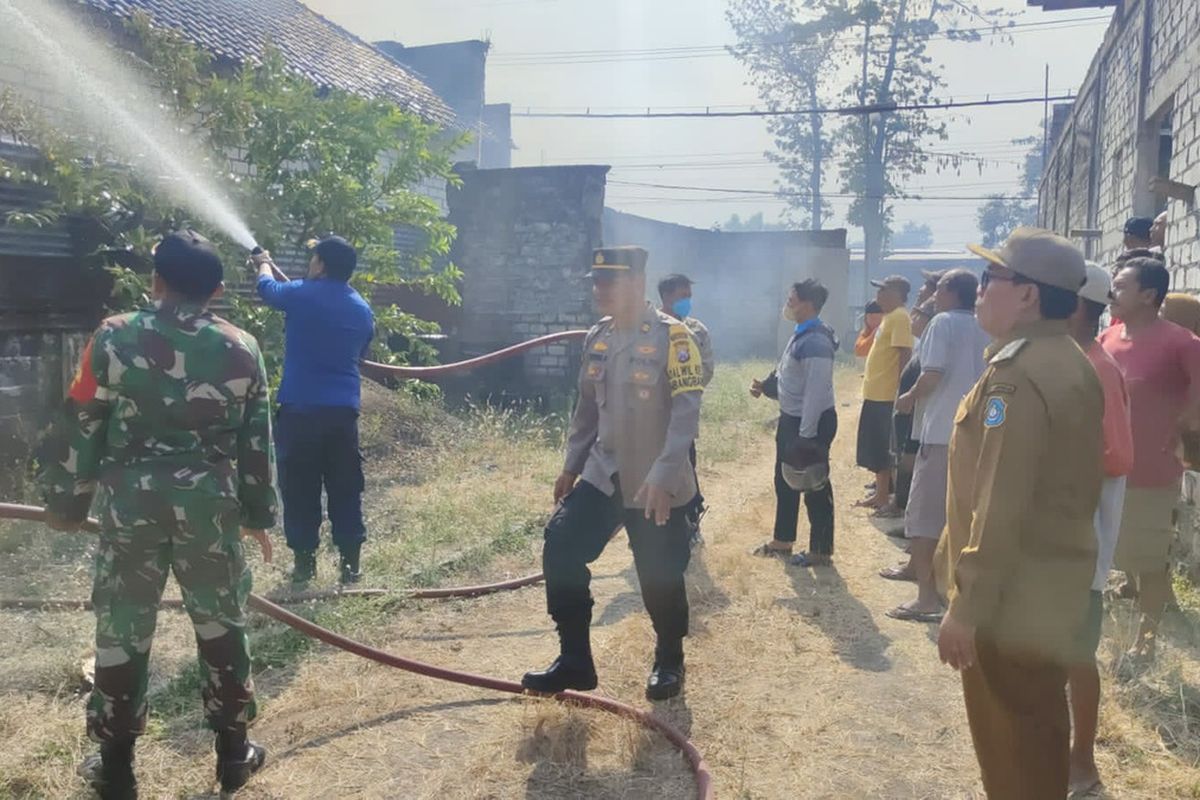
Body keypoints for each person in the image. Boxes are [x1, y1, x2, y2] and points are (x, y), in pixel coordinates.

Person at [38, 231, 276, 799]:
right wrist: (259, 515)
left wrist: (67, 503)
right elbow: (256, 442)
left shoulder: (114, 337)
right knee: (222, 625)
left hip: (132, 509)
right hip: (210, 511)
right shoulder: (243, 347)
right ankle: (233, 754)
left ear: (155, 281)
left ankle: (116, 769)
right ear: (217, 291)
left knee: (122, 629)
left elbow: (82, 420)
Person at [935, 227, 1102, 800]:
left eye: (992, 278)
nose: (980, 290)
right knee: (1036, 743)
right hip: (1046, 591)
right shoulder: (1067, 360)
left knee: (1014, 759)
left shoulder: (1017, 375)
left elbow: (1001, 500)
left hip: (1010, 607)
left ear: (1028, 295)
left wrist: (967, 604)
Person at [522, 246, 704, 701]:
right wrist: (571, 464)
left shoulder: (675, 338)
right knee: (561, 545)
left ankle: (668, 657)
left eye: (609, 282)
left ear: (637, 284)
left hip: (654, 479)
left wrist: (664, 476)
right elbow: (586, 407)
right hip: (605, 471)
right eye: (596, 281)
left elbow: (686, 417)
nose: (598, 289)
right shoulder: (597, 337)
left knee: (658, 574)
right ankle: (575, 660)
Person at [252, 237, 375, 586]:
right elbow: (361, 353)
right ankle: (351, 567)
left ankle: (304, 566)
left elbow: (267, 289)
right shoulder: (361, 308)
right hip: (342, 415)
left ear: (320, 264)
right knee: (345, 486)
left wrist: (262, 261)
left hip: (300, 412)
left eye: (312, 259)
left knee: (300, 488)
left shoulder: (302, 294)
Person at [1099, 256, 1200, 660]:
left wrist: (1182, 443)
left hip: (1152, 468)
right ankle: (1117, 626)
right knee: (1119, 552)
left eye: (1120, 286)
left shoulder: (1182, 343)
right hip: (1106, 463)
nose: (1112, 294)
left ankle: (1147, 640)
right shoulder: (1109, 338)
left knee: (1149, 558)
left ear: (1149, 295)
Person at [884, 270, 988, 621]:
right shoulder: (985, 324)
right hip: (977, 435)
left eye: (939, 288)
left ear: (951, 293)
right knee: (963, 518)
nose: (932, 294)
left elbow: (932, 373)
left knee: (924, 517)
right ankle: (959, 594)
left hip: (943, 430)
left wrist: (909, 398)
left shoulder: (942, 323)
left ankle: (926, 597)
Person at [1066, 262, 1134, 798]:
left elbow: (1113, 455)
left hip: (1079, 543)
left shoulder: (1096, 368)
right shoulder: (1072, 362)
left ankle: (1083, 762)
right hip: (1059, 543)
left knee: (1076, 652)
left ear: (1072, 307)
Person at [749, 279, 838, 566]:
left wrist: (807, 436)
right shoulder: (802, 334)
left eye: (792, 300)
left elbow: (815, 391)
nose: (787, 305)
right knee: (785, 480)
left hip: (810, 422)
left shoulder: (816, 340)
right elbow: (789, 373)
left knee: (814, 483)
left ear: (807, 304)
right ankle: (783, 540)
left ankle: (821, 550)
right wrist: (767, 386)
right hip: (794, 420)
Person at [658, 273, 714, 546]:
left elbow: (705, 369)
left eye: (689, 296)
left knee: (685, 468)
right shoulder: (651, 328)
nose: (688, 301)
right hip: (651, 419)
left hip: (681, 417)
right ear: (667, 297)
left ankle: (690, 524)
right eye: (683, 296)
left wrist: (682, 392)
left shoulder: (697, 331)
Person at [857, 275, 913, 510]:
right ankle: (881, 493)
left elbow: (905, 353)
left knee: (883, 448)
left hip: (886, 395)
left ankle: (884, 496)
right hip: (876, 393)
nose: (878, 296)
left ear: (897, 295)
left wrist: (902, 388)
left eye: (883, 291)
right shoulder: (889, 318)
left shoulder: (900, 317)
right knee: (877, 447)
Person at [880, 299, 935, 519]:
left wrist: (910, 397)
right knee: (903, 460)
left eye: (919, 314)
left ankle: (908, 515)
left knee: (910, 466)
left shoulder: (931, 347)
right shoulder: (923, 344)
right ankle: (903, 508)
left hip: (916, 418)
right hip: (908, 416)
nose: (913, 319)